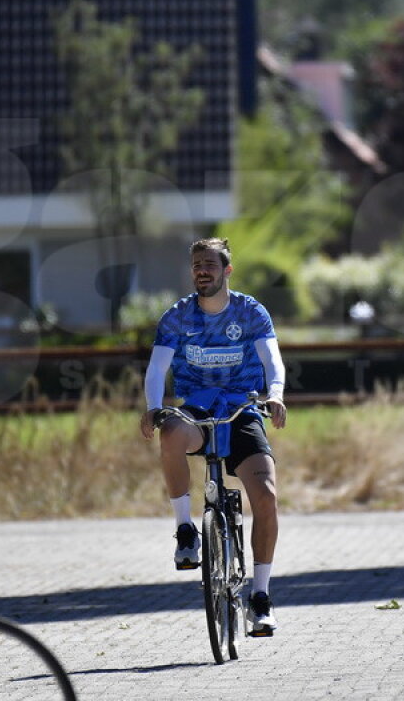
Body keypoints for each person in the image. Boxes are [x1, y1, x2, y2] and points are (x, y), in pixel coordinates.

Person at [140, 237, 288, 635]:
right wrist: (154, 406)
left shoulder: (250, 311)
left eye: (209, 264)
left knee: (267, 497)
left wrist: (275, 394)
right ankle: (186, 529)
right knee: (170, 433)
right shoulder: (177, 316)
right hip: (198, 408)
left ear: (227, 270)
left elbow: (272, 358)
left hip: (242, 409)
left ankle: (260, 596)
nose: (201, 270)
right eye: (196, 265)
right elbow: (157, 370)